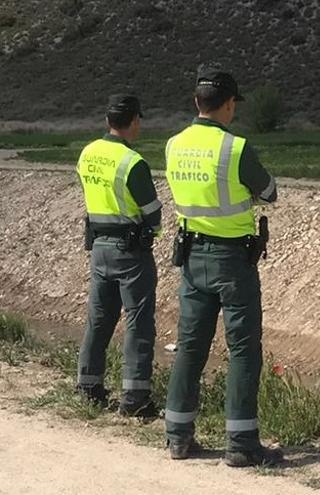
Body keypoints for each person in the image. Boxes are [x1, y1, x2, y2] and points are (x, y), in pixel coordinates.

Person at [164, 64, 279, 467]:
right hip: (233, 259)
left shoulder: (173, 144)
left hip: (192, 257)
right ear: (228, 104)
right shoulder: (236, 147)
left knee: (190, 348)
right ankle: (241, 443)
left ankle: (177, 436)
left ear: (197, 102)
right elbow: (268, 190)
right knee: (244, 350)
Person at [75, 94, 162, 418]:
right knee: (138, 324)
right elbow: (152, 212)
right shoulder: (132, 162)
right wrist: (152, 233)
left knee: (99, 320)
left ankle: (88, 386)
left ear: (107, 121)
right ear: (134, 121)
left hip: (99, 248)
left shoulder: (87, 154)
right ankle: (135, 397)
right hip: (130, 251)